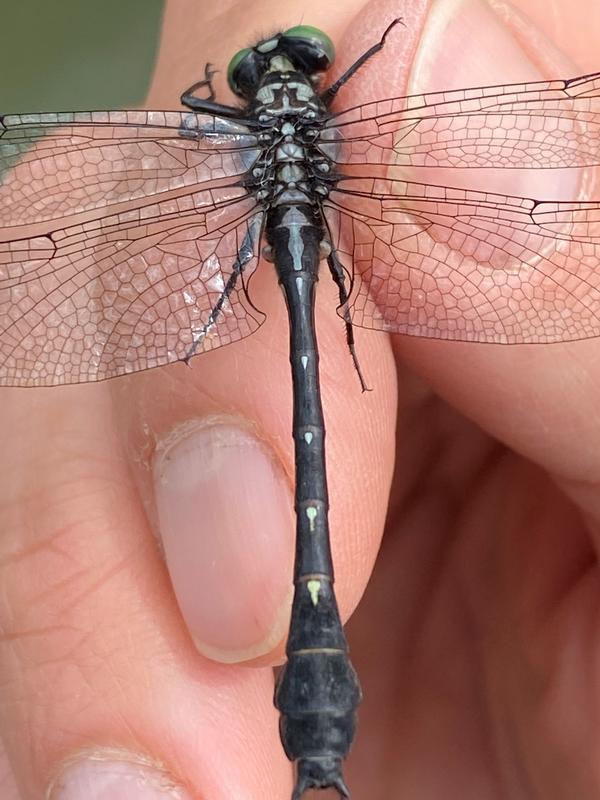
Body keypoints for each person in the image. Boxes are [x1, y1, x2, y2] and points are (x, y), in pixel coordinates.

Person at [2, 0, 599, 797]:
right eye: (274, 71)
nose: (283, 73)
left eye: (291, 65)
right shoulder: (330, 114)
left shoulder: (244, 126)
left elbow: (192, 112)